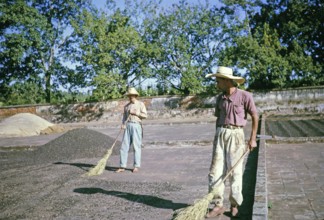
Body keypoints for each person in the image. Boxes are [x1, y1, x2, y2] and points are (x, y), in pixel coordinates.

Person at [205, 66, 259, 217]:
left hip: (236, 135)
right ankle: (218, 204)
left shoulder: (245, 96)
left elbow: (255, 116)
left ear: (227, 81)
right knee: (215, 171)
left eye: (218, 81)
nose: (216, 84)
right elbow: (218, 118)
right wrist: (217, 136)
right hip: (221, 133)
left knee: (235, 171)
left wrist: (253, 139)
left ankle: (235, 204)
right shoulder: (220, 98)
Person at [115, 87, 147, 173]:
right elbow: (124, 117)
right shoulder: (126, 106)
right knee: (123, 147)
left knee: (136, 147)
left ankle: (136, 166)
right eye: (129, 96)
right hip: (128, 125)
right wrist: (123, 124)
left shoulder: (140, 104)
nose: (130, 97)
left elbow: (145, 115)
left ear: (135, 95)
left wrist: (136, 113)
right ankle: (122, 166)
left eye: (132, 95)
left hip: (136, 125)